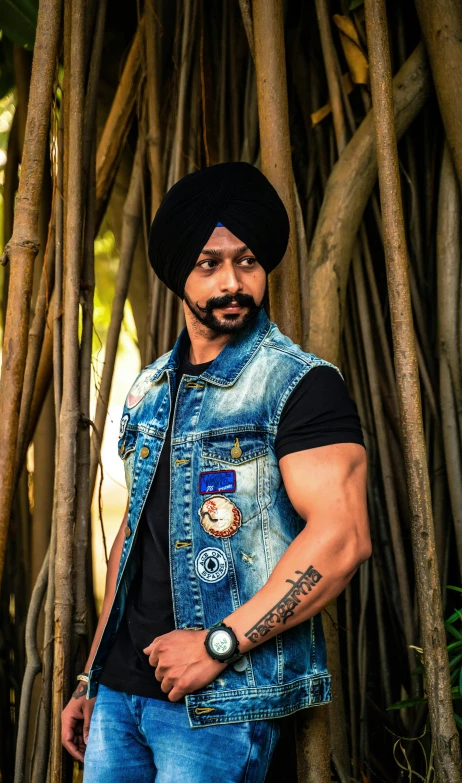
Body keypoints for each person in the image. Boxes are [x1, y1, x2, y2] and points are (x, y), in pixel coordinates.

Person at [62, 162, 371, 782]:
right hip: (121, 699)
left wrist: (216, 646)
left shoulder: (298, 384)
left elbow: (341, 538)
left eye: (248, 261)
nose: (233, 282)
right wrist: (91, 675)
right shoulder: (148, 388)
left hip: (219, 704)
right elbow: (133, 540)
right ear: (180, 273)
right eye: (210, 264)